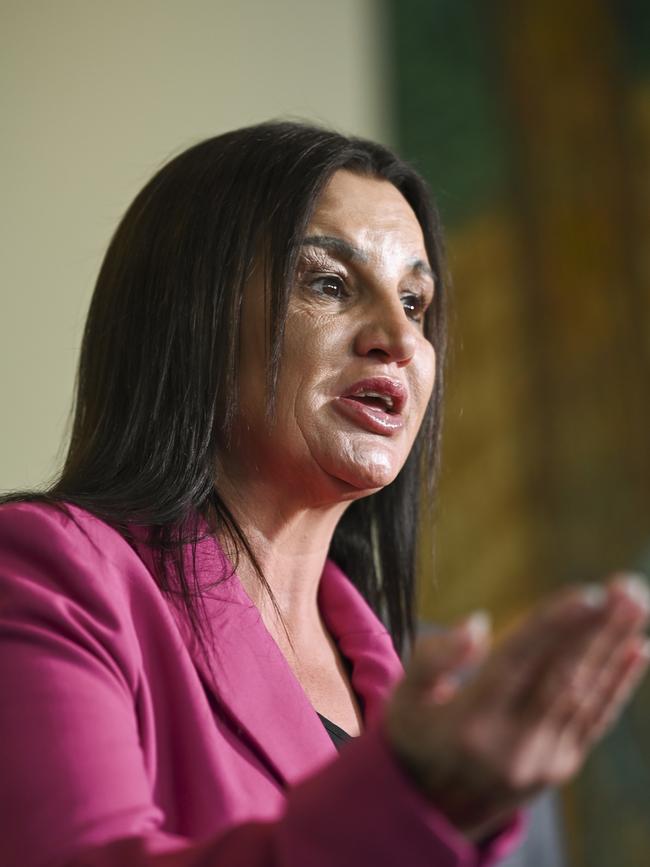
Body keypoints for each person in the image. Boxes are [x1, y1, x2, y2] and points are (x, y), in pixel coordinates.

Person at [0, 121, 648, 867]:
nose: (398, 341)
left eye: (415, 302)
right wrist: (412, 805)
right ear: (191, 317)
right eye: (331, 284)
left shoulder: (452, 704)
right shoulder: (49, 575)